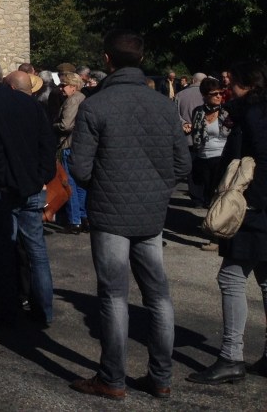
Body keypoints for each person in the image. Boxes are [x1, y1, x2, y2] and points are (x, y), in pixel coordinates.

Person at [69, 31, 191, 401]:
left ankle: (112, 379)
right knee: (158, 296)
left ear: (107, 59)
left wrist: (109, 183)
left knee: (114, 296)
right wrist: (158, 187)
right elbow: (182, 164)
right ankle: (161, 377)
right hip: (150, 212)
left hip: (110, 213)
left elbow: (80, 169)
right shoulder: (163, 105)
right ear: (141, 59)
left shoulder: (96, 105)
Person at [188, 61, 267, 386]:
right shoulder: (252, 111)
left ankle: (232, 357)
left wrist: (250, 202)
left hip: (252, 211)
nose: (225, 86)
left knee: (231, 278)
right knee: (264, 279)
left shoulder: (254, 113)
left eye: (230, 80)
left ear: (247, 83)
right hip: (258, 210)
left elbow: (262, 159)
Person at [0, 55, 56, 328]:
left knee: (5, 251)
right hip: (30, 183)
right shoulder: (28, 102)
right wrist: (41, 176)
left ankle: (6, 310)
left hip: (5, 186)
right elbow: (47, 143)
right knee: (36, 250)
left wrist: (4, 178)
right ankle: (43, 310)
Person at [184, 77, 234, 237]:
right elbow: (196, 133)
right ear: (205, 95)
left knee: (218, 195)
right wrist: (188, 128)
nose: (219, 96)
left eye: (220, 93)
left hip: (221, 156)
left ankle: (216, 233)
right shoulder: (198, 112)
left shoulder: (226, 111)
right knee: (207, 195)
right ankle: (211, 225)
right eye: (214, 94)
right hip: (203, 156)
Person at [53, 72, 88, 234]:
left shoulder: (73, 100)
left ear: (73, 87)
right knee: (79, 184)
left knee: (70, 183)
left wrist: (53, 125)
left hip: (68, 145)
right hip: (79, 146)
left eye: (63, 85)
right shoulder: (82, 98)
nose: (61, 88)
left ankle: (75, 220)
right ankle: (82, 217)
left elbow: (66, 125)